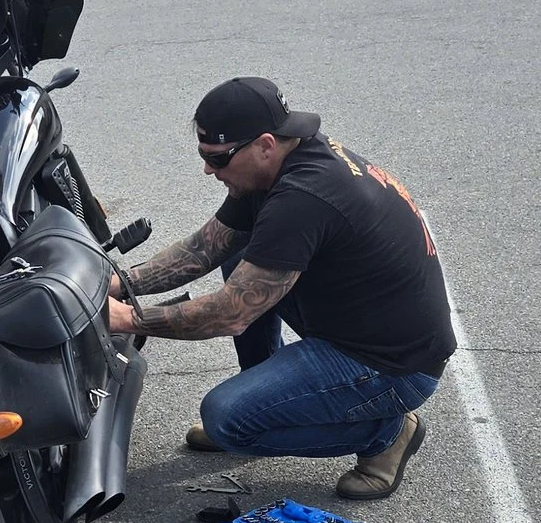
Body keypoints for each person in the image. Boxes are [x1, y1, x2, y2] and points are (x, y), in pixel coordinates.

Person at [106, 77, 453, 501]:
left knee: (226, 419)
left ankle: (390, 431)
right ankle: (267, 402)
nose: (207, 170)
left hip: (393, 366)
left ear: (265, 144)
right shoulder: (284, 161)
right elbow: (207, 246)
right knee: (243, 253)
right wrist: (120, 283)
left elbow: (231, 314)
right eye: (203, 156)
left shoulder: (303, 197)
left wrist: (127, 318)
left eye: (218, 159)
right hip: (360, 319)